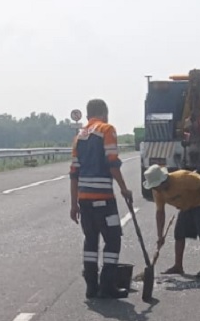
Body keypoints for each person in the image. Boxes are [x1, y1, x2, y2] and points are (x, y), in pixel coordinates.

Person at [69, 99, 133, 299]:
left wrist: (73, 204)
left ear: (88, 115)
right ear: (104, 113)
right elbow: (112, 163)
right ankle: (107, 284)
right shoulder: (107, 130)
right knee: (113, 239)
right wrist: (124, 189)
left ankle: (91, 286)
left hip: (84, 201)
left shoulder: (79, 137)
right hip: (104, 199)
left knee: (90, 240)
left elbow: (74, 173)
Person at [142, 165, 200, 278]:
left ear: (163, 181)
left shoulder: (182, 178)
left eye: (156, 186)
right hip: (186, 206)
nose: (155, 189)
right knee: (179, 234)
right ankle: (178, 266)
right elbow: (160, 213)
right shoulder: (157, 191)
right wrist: (160, 236)